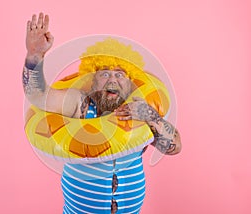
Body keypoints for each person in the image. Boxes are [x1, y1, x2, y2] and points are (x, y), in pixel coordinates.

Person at [23, 12, 181, 214]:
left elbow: (174, 148)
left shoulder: (139, 110)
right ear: (93, 80)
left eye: (120, 74)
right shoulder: (81, 105)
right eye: (104, 73)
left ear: (129, 81)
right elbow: (38, 96)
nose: (113, 80)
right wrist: (34, 55)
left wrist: (151, 117)